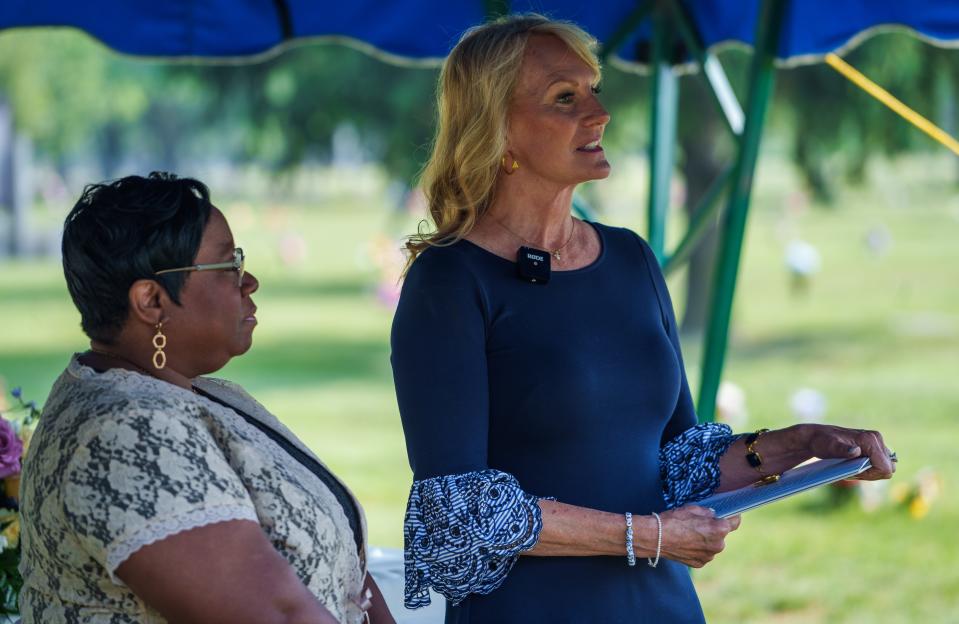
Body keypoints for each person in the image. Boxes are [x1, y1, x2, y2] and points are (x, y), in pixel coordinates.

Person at [389, 15, 896, 624]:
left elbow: (678, 460)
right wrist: (648, 535)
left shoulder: (630, 258)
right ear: (497, 129)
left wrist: (800, 444)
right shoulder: (449, 281)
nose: (599, 113)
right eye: (565, 98)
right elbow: (456, 512)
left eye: (595, 89)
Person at [19, 173, 396, 624]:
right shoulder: (124, 436)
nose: (249, 281)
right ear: (151, 301)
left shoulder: (192, 394)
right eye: (227, 265)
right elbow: (274, 615)